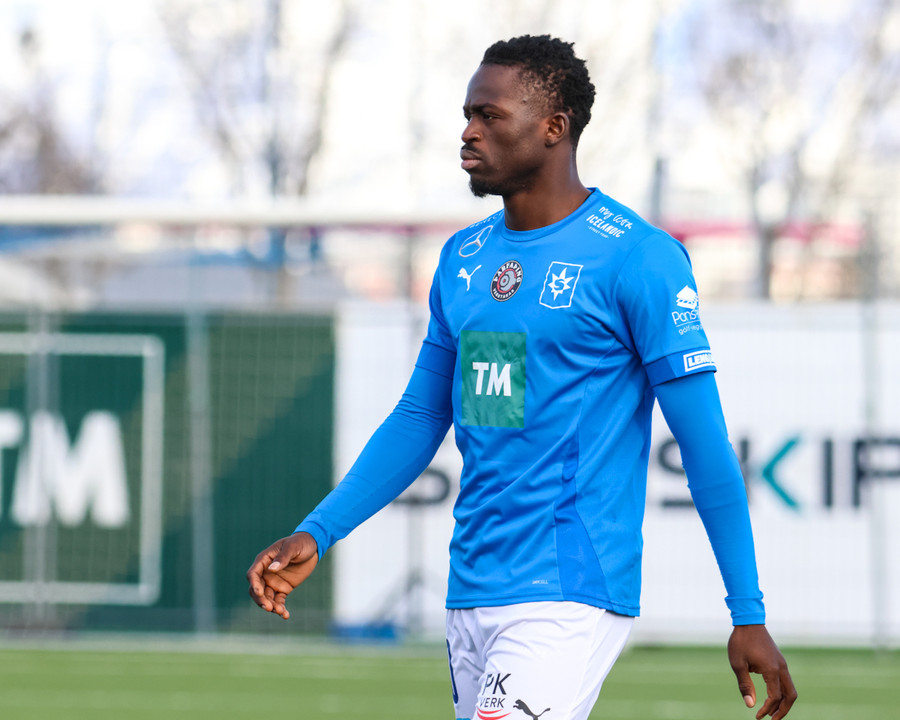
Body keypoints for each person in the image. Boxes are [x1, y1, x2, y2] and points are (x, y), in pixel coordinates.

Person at [247, 34, 797, 720]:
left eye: (490, 116)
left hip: (568, 591)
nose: (468, 133)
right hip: (471, 589)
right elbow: (421, 416)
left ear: (553, 127)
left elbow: (705, 444)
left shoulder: (638, 258)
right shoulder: (463, 258)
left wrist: (747, 611)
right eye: (467, 115)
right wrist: (318, 531)